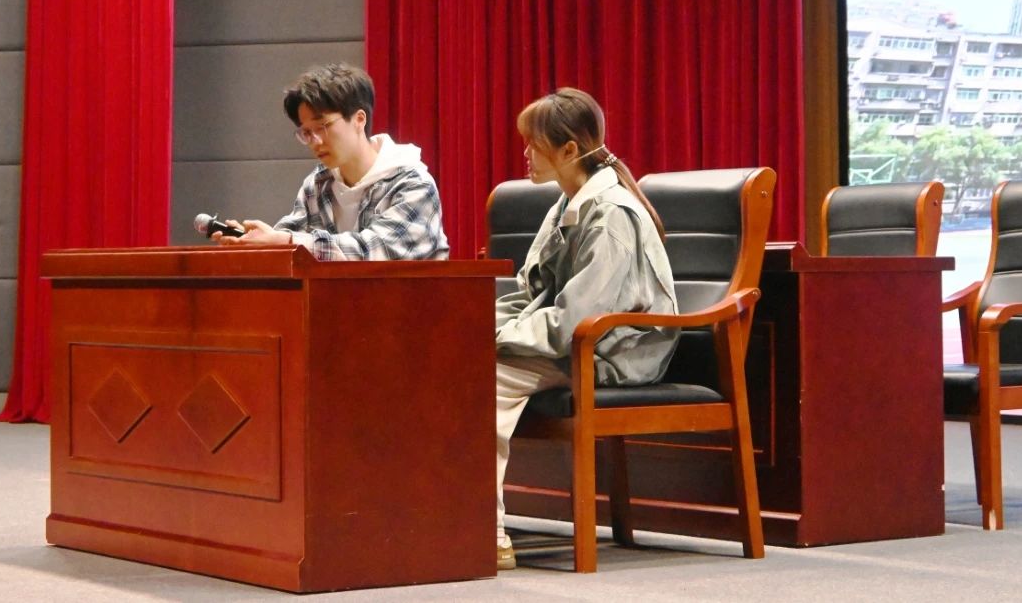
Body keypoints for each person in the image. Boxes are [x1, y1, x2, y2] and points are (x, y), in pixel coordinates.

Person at [493, 88, 678, 570]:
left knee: (483, 381)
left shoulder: (611, 214)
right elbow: (531, 290)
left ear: (570, 149)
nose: (526, 153)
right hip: (575, 342)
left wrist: (497, 340)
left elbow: (577, 319)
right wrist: (474, 327)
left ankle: (485, 531)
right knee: (456, 361)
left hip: (610, 351)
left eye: (534, 144)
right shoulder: (566, 203)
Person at [215, 62, 450, 260]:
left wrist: (286, 241)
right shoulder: (317, 184)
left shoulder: (412, 184)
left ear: (359, 119)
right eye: (306, 132)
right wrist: (251, 241)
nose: (315, 141)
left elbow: (373, 251)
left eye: (323, 126)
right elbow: (290, 238)